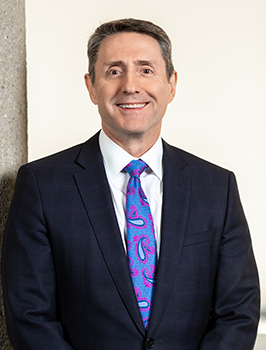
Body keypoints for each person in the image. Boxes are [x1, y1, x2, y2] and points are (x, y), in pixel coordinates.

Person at [2, 18, 260, 350]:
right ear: (91, 87)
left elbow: (238, 312)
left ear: (171, 84)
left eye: (146, 70)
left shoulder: (216, 187)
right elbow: (29, 316)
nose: (130, 85)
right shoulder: (41, 186)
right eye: (113, 71)